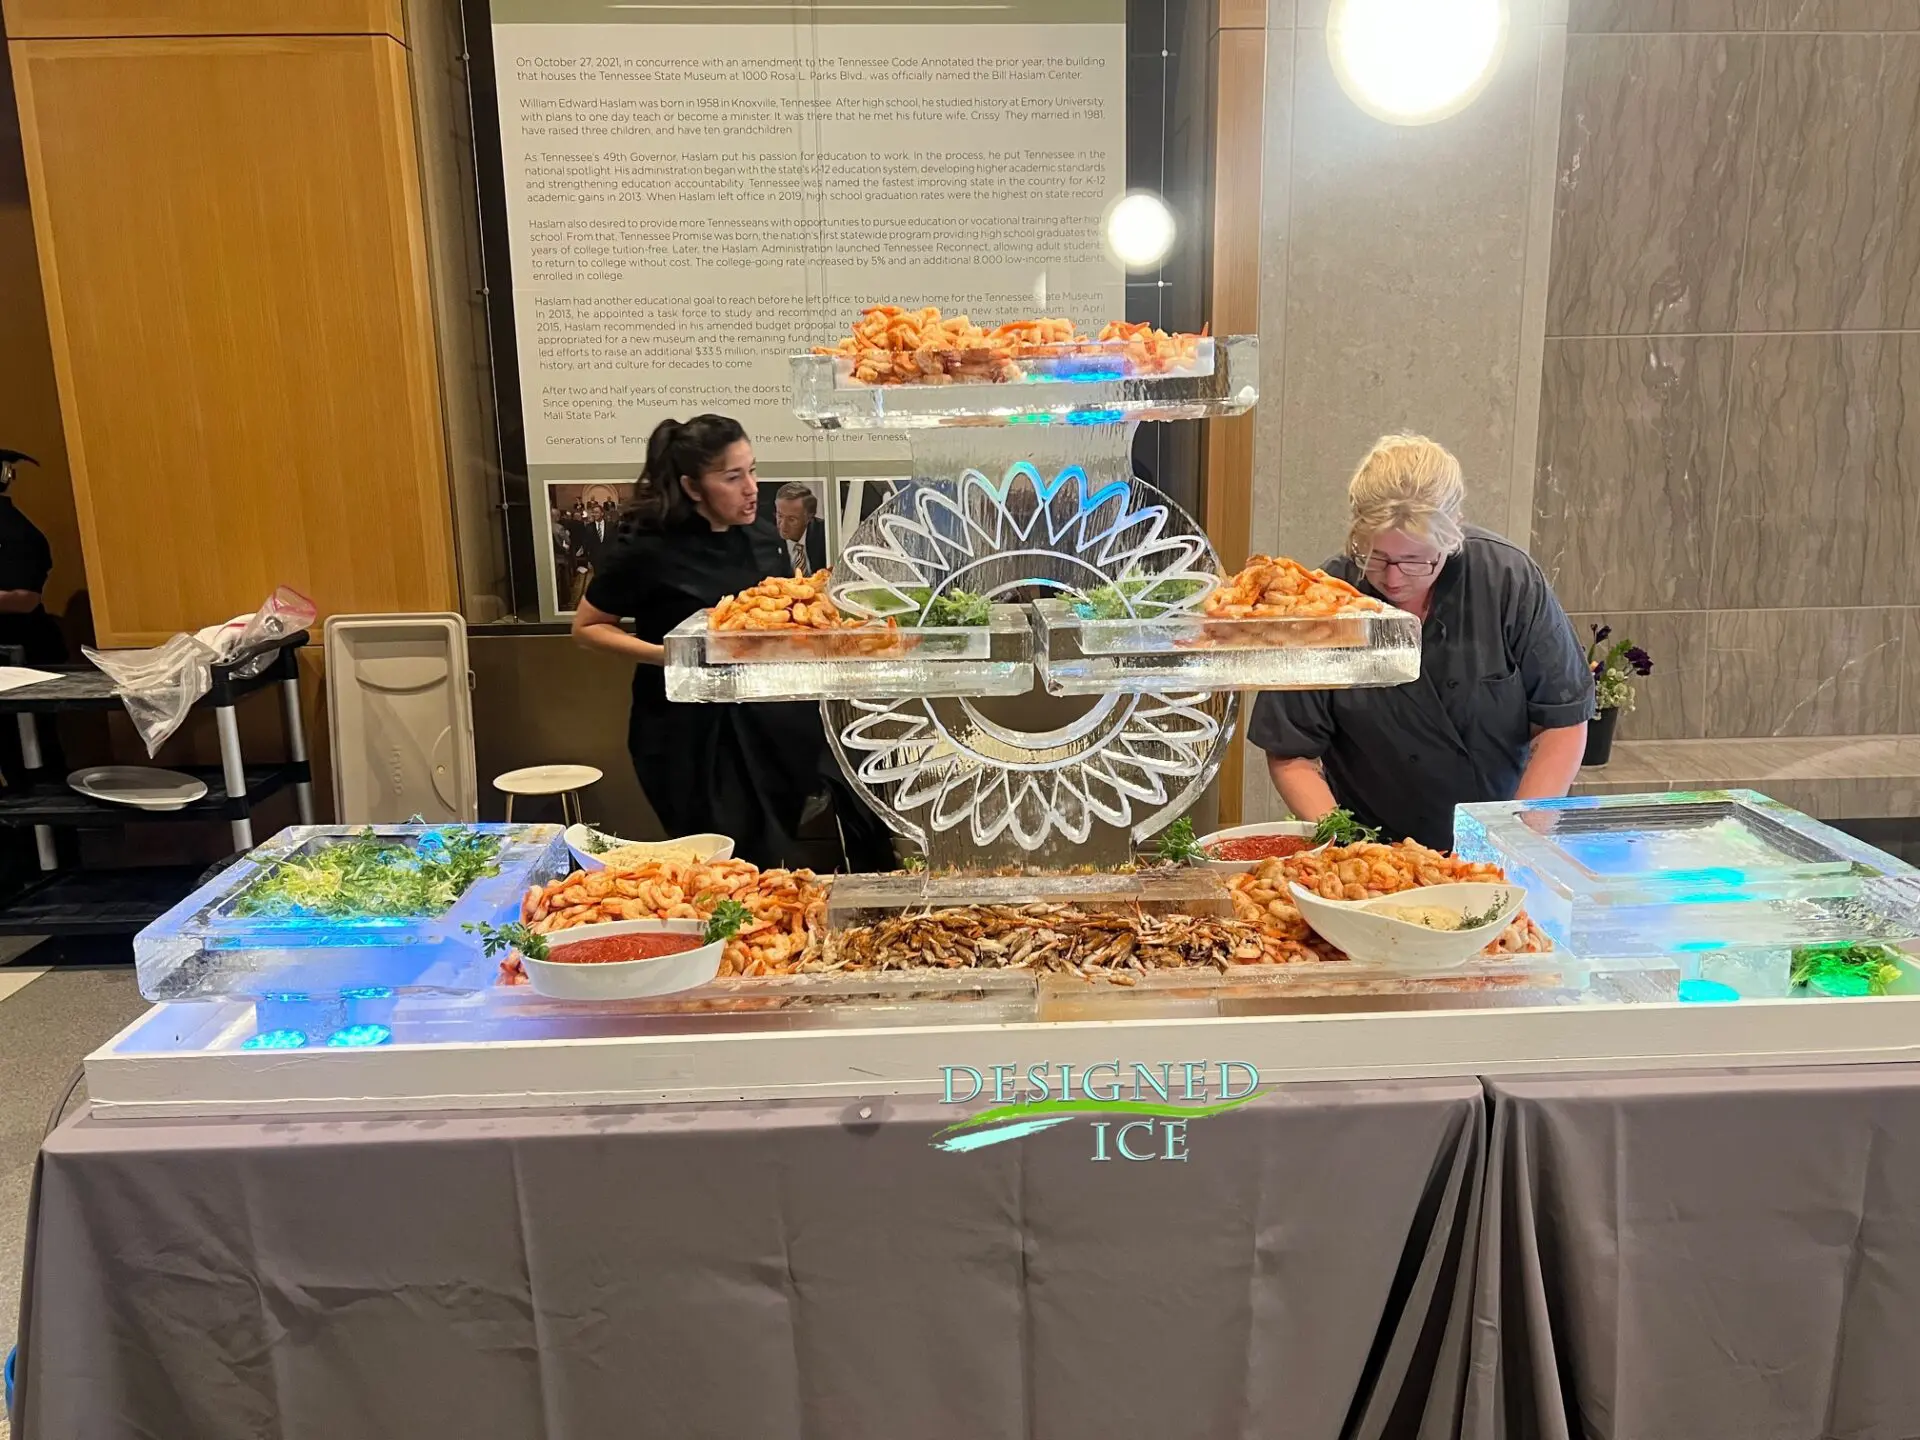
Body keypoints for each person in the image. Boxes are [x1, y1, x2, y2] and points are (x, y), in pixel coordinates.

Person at [570, 415, 894, 871]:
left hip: (770, 722)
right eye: (732, 477)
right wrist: (672, 656)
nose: (751, 488)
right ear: (692, 486)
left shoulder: (761, 535)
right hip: (688, 735)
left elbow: (783, 618)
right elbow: (587, 628)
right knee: (730, 860)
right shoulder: (647, 546)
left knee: (840, 818)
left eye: (752, 471)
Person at [1249, 434, 1591, 851]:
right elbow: (1291, 752)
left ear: (1454, 532)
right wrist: (1351, 851)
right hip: (1373, 844)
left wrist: (1516, 840)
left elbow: (1563, 722)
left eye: (1416, 560)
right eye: (1375, 556)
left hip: (1498, 835)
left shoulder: (1506, 580)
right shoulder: (1325, 600)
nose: (1393, 579)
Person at [773, 483, 827, 575]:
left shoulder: (825, 533)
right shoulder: (767, 538)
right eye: (780, 516)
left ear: (809, 518)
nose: (783, 525)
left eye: (792, 519)